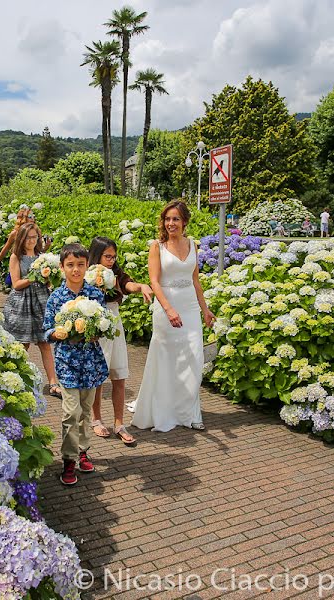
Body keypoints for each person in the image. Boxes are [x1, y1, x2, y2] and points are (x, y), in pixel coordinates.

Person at [130, 200, 215, 432]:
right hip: (166, 308)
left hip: (189, 308)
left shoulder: (193, 245)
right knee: (168, 360)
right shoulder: (157, 246)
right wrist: (168, 309)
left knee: (194, 359)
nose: (171, 223)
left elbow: (195, 280)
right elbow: (154, 282)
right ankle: (166, 409)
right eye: (167, 219)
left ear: (184, 221)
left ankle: (190, 410)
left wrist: (205, 309)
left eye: (175, 219)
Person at [43, 243, 109, 486]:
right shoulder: (56, 297)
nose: (76, 270)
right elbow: (46, 329)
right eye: (70, 265)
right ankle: (69, 460)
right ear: (62, 267)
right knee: (71, 412)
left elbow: (105, 325)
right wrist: (57, 333)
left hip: (90, 362)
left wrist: (97, 332)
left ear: (86, 266)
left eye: (80, 265)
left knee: (85, 410)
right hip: (67, 362)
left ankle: (83, 451)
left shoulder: (95, 294)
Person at [87, 237, 153, 446]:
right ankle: (96, 419)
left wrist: (141, 286)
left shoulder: (116, 272)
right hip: (96, 325)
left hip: (114, 323)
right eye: (107, 256)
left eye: (113, 256)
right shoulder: (87, 273)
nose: (111, 260)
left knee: (119, 375)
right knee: (97, 377)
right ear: (97, 255)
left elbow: (127, 284)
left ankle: (119, 424)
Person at [3, 222, 61, 398]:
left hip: (41, 301)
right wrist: (34, 276)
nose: (32, 240)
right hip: (22, 303)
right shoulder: (16, 257)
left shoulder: (42, 256)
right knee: (23, 344)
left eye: (35, 237)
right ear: (21, 238)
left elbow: (48, 282)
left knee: (45, 343)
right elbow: (16, 284)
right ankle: (15, 379)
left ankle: (53, 383)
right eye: (28, 237)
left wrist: (50, 278)